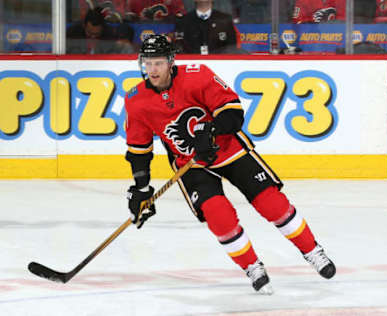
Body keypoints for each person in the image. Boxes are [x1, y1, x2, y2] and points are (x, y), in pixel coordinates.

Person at [124, 34, 336, 293]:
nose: (153, 70)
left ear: (170, 62)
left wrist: (211, 131)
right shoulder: (136, 99)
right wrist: (142, 188)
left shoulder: (197, 75)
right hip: (192, 164)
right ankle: (252, 266)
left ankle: (312, 250)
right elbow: (139, 149)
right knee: (218, 216)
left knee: (272, 203)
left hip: (229, 150)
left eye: (158, 63)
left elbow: (233, 111)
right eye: (148, 63)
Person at [175, 0, 243, 54]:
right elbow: (179, 47)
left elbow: (232, 47)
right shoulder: (183, 21)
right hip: (191, 64)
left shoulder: (225, 20)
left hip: (219, 64)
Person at [66, 7, 134, 54]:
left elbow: (124, 45)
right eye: (90, 33)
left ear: (103, 28)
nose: (93, 37)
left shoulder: (109, 33)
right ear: (84, 25)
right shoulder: (73, 32)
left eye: (96, 34)